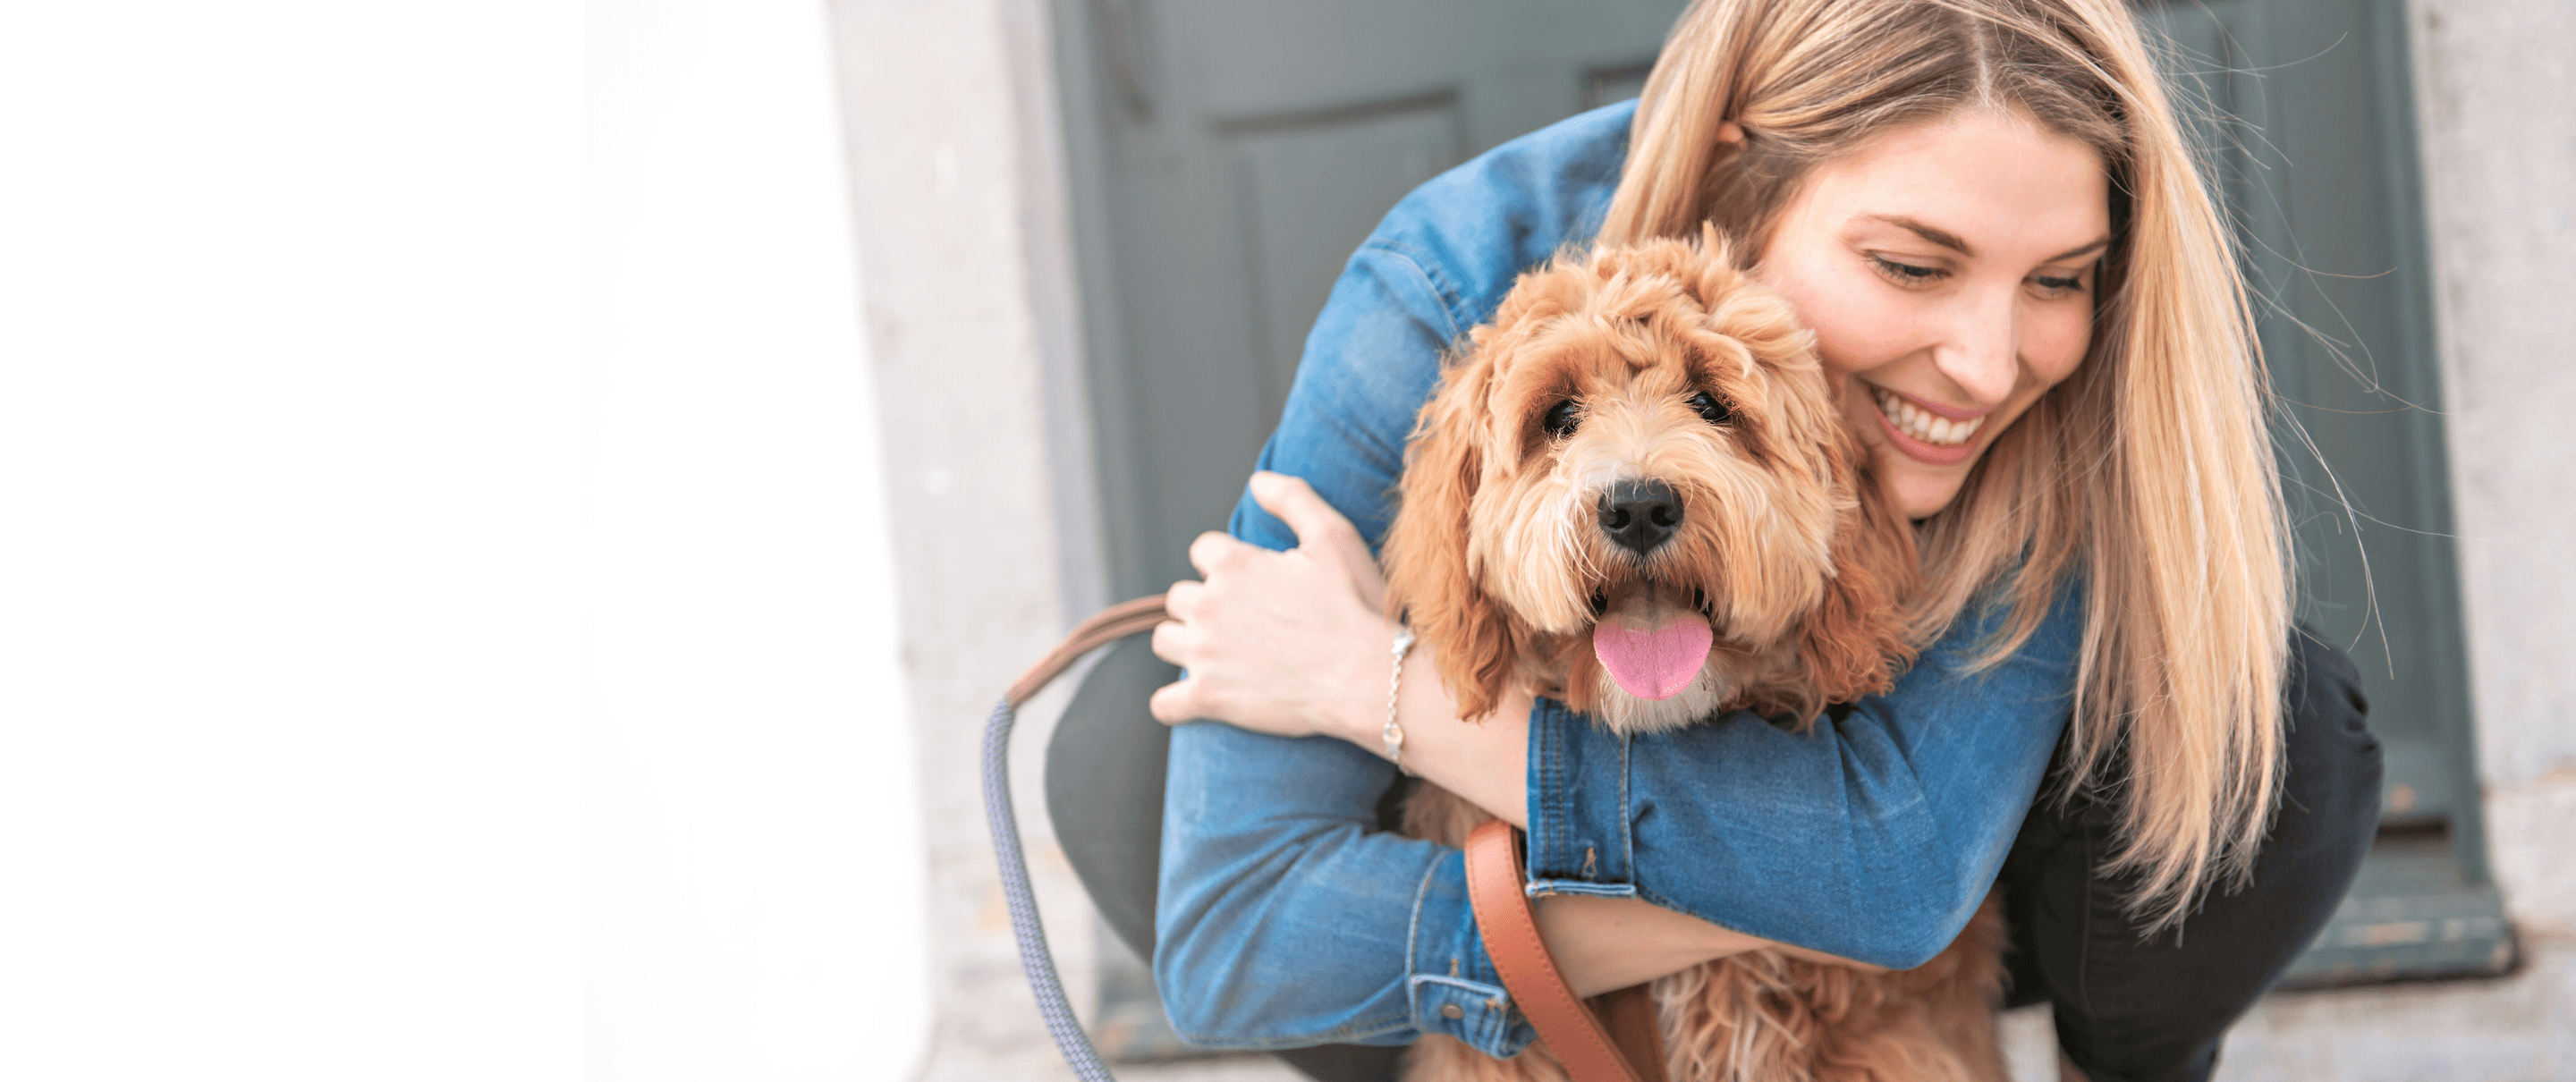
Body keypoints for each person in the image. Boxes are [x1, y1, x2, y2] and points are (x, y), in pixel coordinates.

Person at [1137, 1, 2383, 1079]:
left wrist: (1376, 684)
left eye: (2059, 278)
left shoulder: (2057, 400)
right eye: (1911, 263)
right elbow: (1233, 939)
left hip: (1950, 866)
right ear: (1745, 175)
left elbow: (1897, 875)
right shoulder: (1449, 283)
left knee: (2279, 729)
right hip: (1611, 862)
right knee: (1126, 744)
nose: (1990, 362)